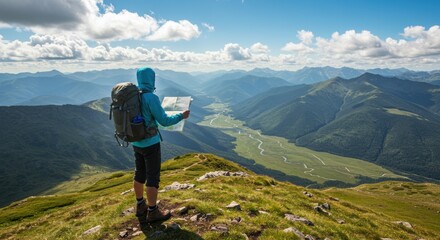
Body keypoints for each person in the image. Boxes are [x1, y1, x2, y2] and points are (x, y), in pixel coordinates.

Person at [132, 67, 190, 223]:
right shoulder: (151, 97)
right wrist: (181, 115)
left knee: (139, 173)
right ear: (151, 79)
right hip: (151, 143)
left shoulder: (133, 96)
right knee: (152, 178)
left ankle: (140, 205)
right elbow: (164, 121)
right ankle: (153, 211)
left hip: (136, 141)